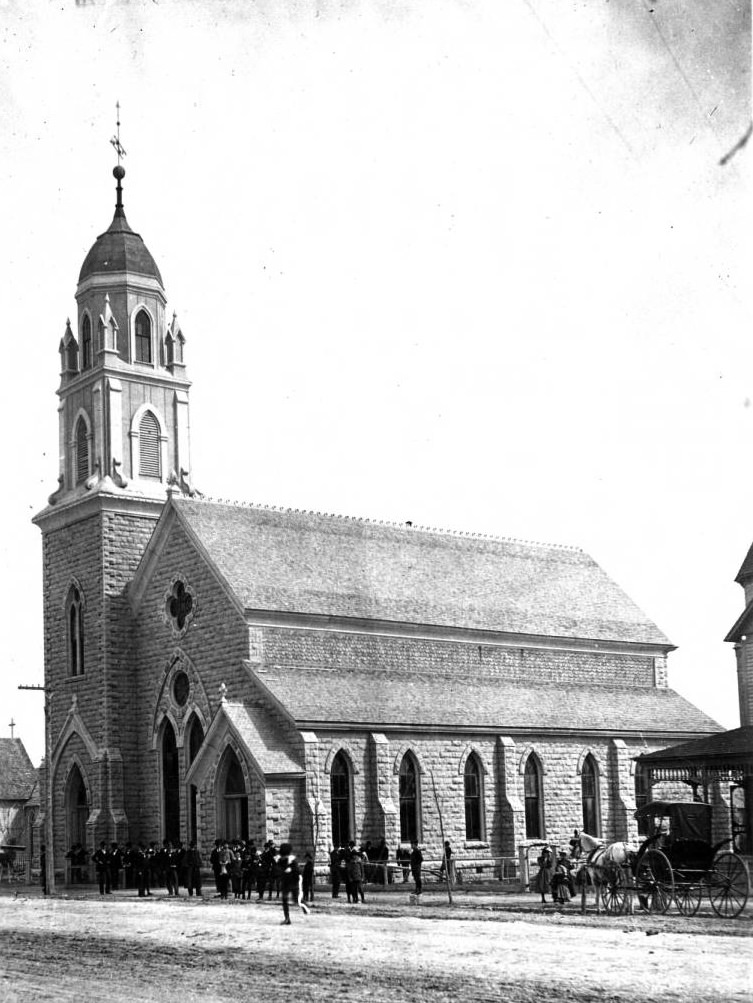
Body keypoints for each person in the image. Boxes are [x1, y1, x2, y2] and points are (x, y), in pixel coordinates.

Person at [277, 843, 309, 925]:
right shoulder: (280, 860)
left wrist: (290, 870)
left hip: (293, 882)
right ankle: (287, 919)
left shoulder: (293, 861)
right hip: (285, 882)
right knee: (284, 900)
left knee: (296, 900)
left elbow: (298, 872)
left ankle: (304, 906)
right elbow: (278, 870)